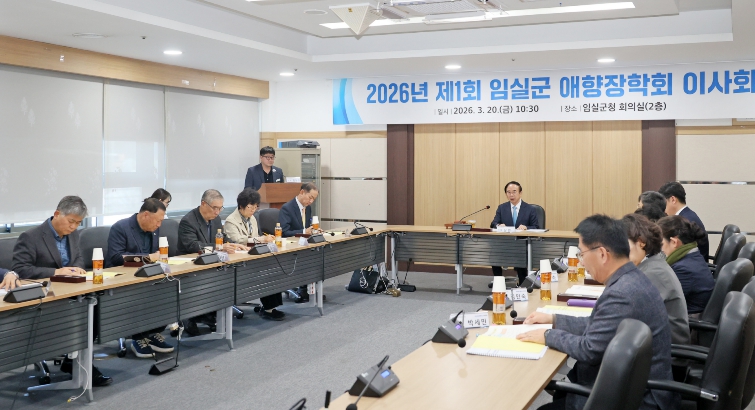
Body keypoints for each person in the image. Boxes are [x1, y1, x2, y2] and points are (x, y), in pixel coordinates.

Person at [517, 215, 677, 410]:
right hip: (634, 385)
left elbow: (589, 349)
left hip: (640, 399)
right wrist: (554, 319)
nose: (581, 262)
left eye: (582, 254)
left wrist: (548, 335)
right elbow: (599, 325)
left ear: (602, 254)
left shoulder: (621, 292)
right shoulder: (630, 277)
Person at [11, 196, 113, 387]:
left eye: (78, 223)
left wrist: (77, 269)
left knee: (97, 305)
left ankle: (77, 361)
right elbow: (21, 270)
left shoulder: (73, 235)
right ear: (57, 214)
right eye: (71, 221)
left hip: (72, 291)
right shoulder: (31, 237)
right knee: (85, 310)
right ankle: (75, 360)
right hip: (46, 297)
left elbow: (78, 259)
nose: (74, 227)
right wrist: (56, 272)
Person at [621, 214, 690, 380]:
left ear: (641, 242)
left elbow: (620, 319)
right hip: (661, 351)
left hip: (667, 363)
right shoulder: (653, 264)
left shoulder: (653, 274)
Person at [105, 198, 174, 358]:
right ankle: (138, 337)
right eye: (157, 221)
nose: (159, 225)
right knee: (140, 294)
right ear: (146, 215)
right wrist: (147, 258)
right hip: (123, 277)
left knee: (168, 288)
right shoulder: (120, 227)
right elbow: (116, 257)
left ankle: (153, 332)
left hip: (147, 274)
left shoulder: (154, 229)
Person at [178, 189, 247, 334]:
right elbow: (192, 246)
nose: (217, 212)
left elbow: (222, 237)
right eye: (214, 208)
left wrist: (234, 244)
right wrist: (218, 247)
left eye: (220, 208)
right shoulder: (188, 221)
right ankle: (192, 317)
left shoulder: (215, 219)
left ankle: (211, 314)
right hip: (191, 265)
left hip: (212, 263)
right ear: (203, 204)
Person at [225, 188, 285, 321]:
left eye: (255, 207)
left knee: (273, 267)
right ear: (241, 206)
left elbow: (255, 236)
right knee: (265, 272)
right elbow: (237, 240)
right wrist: (260, 239)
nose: (253, 210)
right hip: (239, 261)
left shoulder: (252, 218)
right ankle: (268, 308)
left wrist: (262, 239)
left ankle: (271, 307)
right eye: (250, 207)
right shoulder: (231, 221)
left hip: (253, 256)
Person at [657, 215, 715, 315]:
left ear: (674, 242)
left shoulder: (683, 270)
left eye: (662, 244)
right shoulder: (692, 256)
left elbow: (661, 302)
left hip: (688, 320)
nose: (661, 249)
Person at [489, 181, 540, 285]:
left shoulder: (530, 209)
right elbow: (493, 223)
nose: (511, 195)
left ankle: (522, 284)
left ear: (520, 193)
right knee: (494, 253)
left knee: (520, 254)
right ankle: (499, 283)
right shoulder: (502, 208)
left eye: (514, 192)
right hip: (505, 244)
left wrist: (526, 227)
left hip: (522, 244)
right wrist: (498, 225)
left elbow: (536, 227)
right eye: (508, 192)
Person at [279, 182, 319, 303]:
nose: (311, 201)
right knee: (310, 258)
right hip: (291, 247)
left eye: (314, 199)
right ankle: (303, 288)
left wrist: (313, 231)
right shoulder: (287, 208)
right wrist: (304, 231)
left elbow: (307, 227)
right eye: (310, 197)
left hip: (304, 245)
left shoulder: (308, 208)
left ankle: (310, 288)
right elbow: (284, 232)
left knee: (321, 255)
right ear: (302, 192)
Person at [658, 181, 709, 260]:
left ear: (673, 199)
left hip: (691, 263)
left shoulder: (685, 221)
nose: (664, 209)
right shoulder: (687, 215)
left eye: (664, 203)